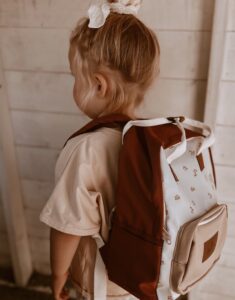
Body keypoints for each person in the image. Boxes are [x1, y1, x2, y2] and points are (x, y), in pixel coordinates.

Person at [39, 0, 160, 299]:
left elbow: (68, 227)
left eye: (74, 78)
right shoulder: (154, 138)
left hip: (103, 283)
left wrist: (58, 278)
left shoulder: (86, 148)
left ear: (98, 85)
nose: (74, 86)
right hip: (144, 278)